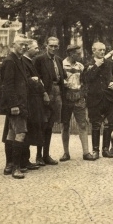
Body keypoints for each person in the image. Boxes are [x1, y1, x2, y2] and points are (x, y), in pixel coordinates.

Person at [0, 35, 31, 179]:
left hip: (20, 102)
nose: (24, 47)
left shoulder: (19, 60)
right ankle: (16, 167)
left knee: (11, 133)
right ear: (13, 45)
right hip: (16, 104)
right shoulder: (10, 61)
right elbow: (7, 85)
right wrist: (14, 105)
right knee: (21, 133)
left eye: (26, 45)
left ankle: (9, 165)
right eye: (21, 44)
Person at [83, 42, 113, 159]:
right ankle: (95, 150)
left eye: (104, 50)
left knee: (108, 124)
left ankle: (105, 149)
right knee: (96, 124)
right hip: (94, 99)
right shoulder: (88, 64)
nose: (103, 52)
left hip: (109, 98)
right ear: (93, 51)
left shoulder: (110, 63)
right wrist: (96, 66)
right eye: (100, 50)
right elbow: (86, 79)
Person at [59, 44, 95, 161]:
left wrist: (82, 94)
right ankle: (66, 153)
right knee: (65, 125)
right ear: (70, 53)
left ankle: (86, 152)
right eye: (77, 54)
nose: (80, 56)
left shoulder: (80, 66)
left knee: (83, 124)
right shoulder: (62, 65)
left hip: (79, 98)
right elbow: (60, 82)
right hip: (66, 99)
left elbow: (84, 82)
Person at [33, 36, 65, 166]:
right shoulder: (39, 59)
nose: (53, 48)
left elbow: (62, 77)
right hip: (45, 93)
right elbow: (36, 79)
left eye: (55, 46)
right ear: (46, 45)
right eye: (50, 46)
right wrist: (43, 93)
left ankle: (46, 155)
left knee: (51, 124)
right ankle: (39, 156)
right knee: (43, 124)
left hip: (57, 93)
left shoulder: (58, 60)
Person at [19, 39, 46, 171]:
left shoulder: (30, 61)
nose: (37, 50)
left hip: (35, 100)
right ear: (28, 48)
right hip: (29, 101)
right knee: (27, 130)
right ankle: (23, 160)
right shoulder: (23, 62)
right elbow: (25, 81)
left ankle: (26, 160)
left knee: (32, 129)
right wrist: (33, 80)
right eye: (35, 48)